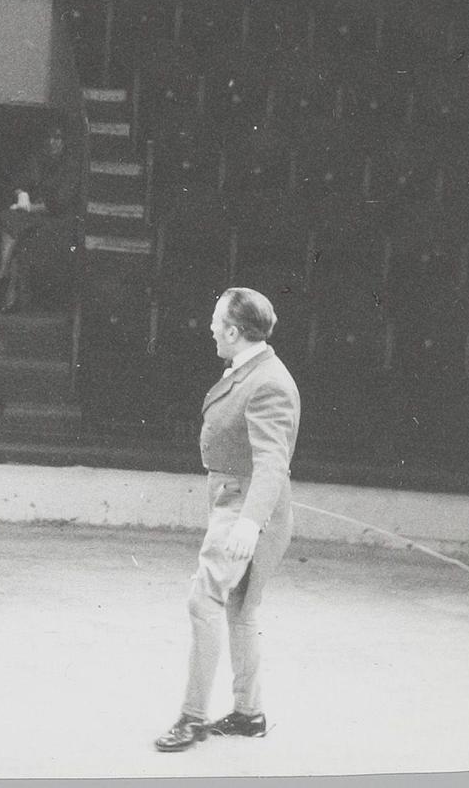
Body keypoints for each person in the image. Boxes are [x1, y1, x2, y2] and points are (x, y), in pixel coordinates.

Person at [155, 287, 301, 753]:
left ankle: (192, 718)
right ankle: (248, 714)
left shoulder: (268, 382)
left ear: (235, 331)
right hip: (244, 502)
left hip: (246, 507)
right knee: (241, 609)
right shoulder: (251, 370)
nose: (211, 327)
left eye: (217, 320)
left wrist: (248, 523)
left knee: (204, 602)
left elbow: (272, 463)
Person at [0, 124, 81, 311]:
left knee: (19, 233)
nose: (52, 142)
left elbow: (59, 203)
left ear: (64, 142)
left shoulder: (70, 167)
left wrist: (28, 208)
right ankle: (4, 272)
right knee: (9, 220)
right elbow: (19, 182)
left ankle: (4, 276)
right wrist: (21, 193)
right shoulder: (38, 160)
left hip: (57, 220)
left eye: (57, 138)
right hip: (33, 217)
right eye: (49, 137)